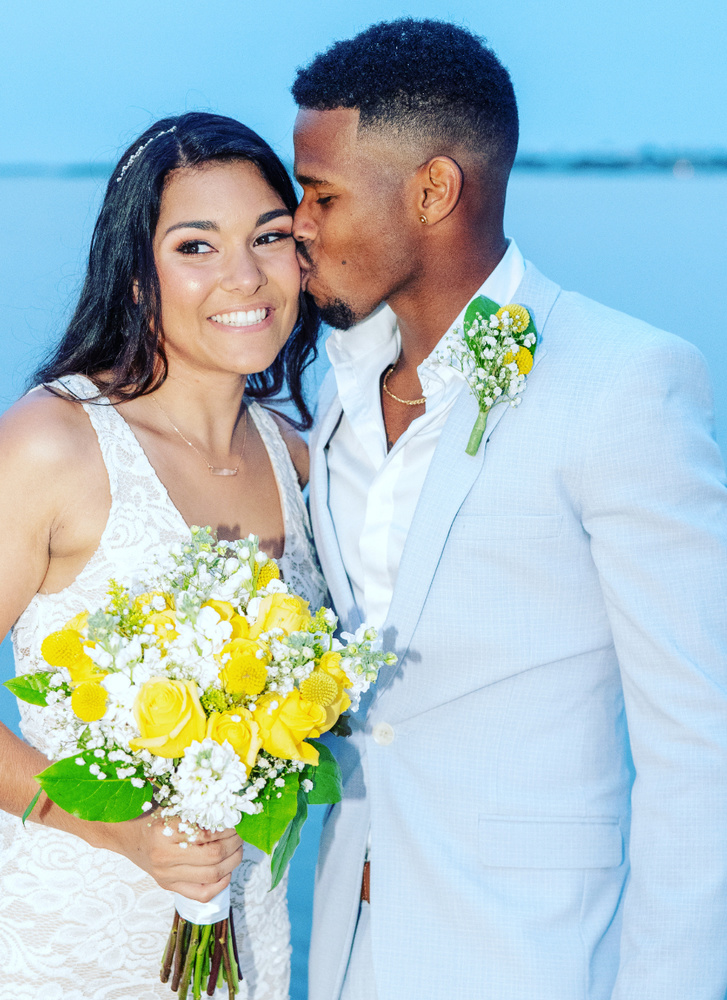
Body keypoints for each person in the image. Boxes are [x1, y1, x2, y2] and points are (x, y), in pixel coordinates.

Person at [290, 18, 727, 1000]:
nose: (298, 226)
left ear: (434, 191)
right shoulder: (337, 385)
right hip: (350, 943)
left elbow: (699, 747)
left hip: (533, 956)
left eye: (322, 195)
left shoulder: (622, 383)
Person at [0, 111, 325, 999]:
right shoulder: (51, 446)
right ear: (137, 273)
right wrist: (122, 832)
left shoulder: (298, 457)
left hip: (242, 942)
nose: (243, 275)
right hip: (54, 947)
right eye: (195, 246)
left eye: (270, 236)